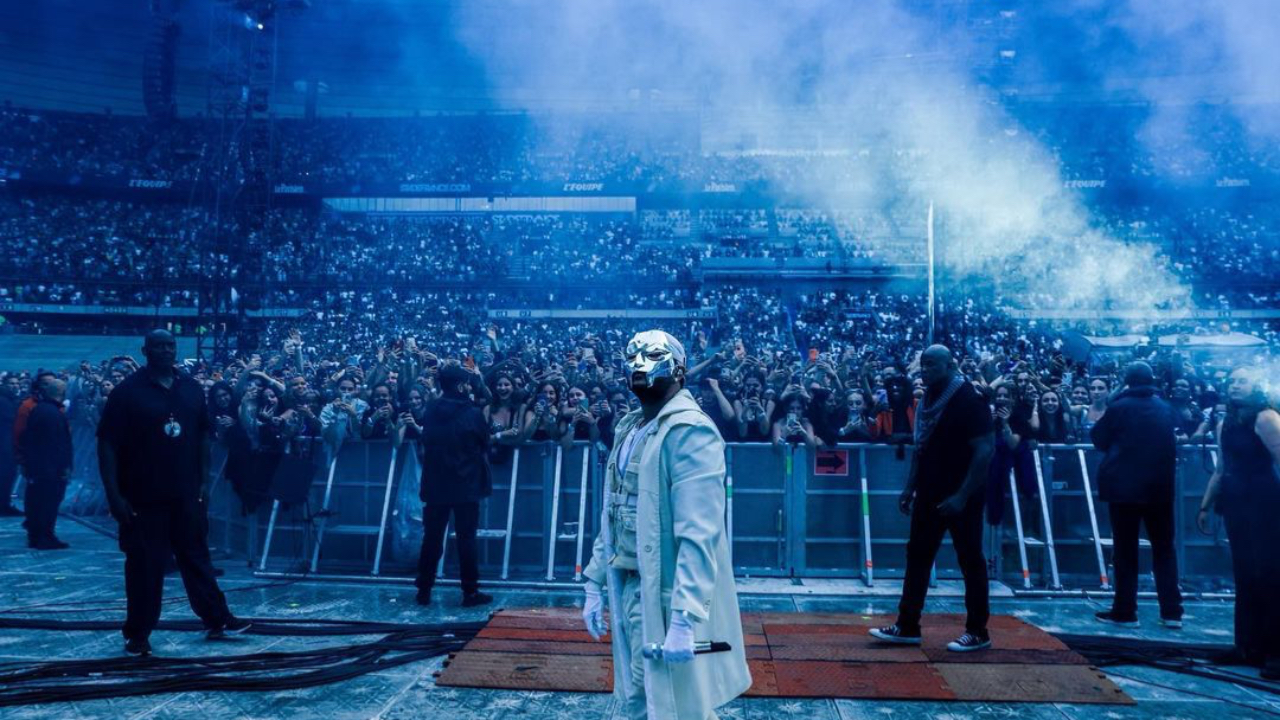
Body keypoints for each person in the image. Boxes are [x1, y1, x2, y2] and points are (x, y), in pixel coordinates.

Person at [582, 329, 750, 720]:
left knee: (667, 705)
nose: (639, 364)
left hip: (664, 593)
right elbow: (615, 509)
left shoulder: (689, 430)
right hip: (628, 583)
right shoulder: (630, 427)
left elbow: (700, 532)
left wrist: (684, 618)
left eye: (652, 354)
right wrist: (594, 581)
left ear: (679, 370)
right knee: (642, 697)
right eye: (632, 355)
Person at [97, 330, 251, 657]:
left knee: (196, 557)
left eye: (170, 346)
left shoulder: (191, 388)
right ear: (145, 350)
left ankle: (217, 618)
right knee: (145, 566)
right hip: (142, 495)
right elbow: (108, 445)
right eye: (158, 346)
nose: (165, 351)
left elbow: (202, 439)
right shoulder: (127, 393)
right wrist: (114, 495)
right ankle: (138, 633)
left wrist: (204, 483)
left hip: (185, 493)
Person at [871, 344, 995, 652]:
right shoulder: (927, 399)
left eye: (932, 365)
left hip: (961, 493)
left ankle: (978, 630)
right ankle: (907, 624)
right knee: (917, 557)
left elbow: (984, 451)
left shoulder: (969, 399)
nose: (924, 371)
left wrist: (962, 495)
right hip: (929, 490)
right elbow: (922, 447)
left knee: (971, 561)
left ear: (950, 365)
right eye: (922, 365)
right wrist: (910, 487)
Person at [1197, 368, 1280, 678]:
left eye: (1242, 380)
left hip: (1265, 503)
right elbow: (1221, 469)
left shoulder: (1266, 417)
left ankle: (1274, 652)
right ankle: (1246, 646)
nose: (1235, 385)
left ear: (1257, 386)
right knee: (1245, 575)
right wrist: (1205, 506)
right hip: (1236, 503)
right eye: (1231, 380)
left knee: (1270, 575)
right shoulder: (1225, 423)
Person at [1090, 361, 1183, 629]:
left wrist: (1118, 395)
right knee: (1164, 549)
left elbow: (1098, 438)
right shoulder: (1164, 407)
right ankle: (1172, 612)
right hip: (1160, 489)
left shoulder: (1119, 407)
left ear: (1127, 380)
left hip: (1124, 490)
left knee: (1126, 551)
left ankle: (1125, 611)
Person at [413, 364, 493, 608]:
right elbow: (484, 442)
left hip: (435, 484)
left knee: (432, 538)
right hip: (465, 484)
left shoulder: (431, 409)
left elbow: (426, 439)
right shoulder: (472, 413)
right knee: (466, 539)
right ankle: (470, 592)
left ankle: (423, 589)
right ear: (460, 385)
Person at [19, 379, 72, 549]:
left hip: (40, 467)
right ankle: (44, 536)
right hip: (50, 470)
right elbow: (58, 445)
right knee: (47, 504)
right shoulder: (52, 413)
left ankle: (38, 535)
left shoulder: (41, 409)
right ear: (62, 393)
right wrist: (63, 467)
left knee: (39, 503)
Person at [0, 373, 21, 516]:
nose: (14, 386)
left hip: (9, 443)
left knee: (8, 476)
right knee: (6, 475)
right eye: (11, 384)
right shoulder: (3, 401)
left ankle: (5, 503)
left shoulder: (11, 400)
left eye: (16, 384)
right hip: (5, 445)